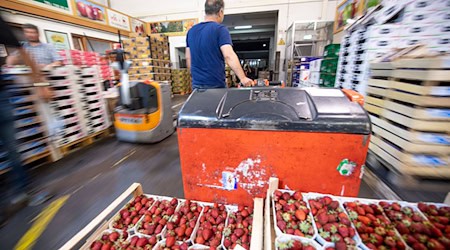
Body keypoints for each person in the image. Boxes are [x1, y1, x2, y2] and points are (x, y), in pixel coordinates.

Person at [0, 17, 53, 227]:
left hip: (1, 98)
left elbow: (22, 53)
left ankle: (24, 191)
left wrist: (41, 82)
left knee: (13, 148)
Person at [186, 0, 253, 89]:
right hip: (215, 86)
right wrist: (243, 78)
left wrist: (197, 77)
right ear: (220, 12)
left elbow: (188, 58)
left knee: (200, 103)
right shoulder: (220, 29)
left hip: (197, 85)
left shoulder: (191, 32)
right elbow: (228, 56)